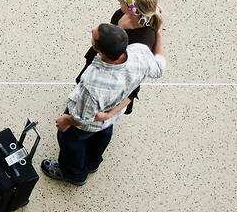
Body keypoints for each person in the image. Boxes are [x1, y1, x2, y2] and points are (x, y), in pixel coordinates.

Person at [40, 22, 166, 185]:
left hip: (88, 123)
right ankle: (92, 163)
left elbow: (85, 118)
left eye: (94, 36)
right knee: (102, 135)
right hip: (110, 117)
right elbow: (159, 68)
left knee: (71, 141)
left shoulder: (93, 83)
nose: (92, 29)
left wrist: (67, 120)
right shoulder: (141, 52)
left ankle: (74, 174)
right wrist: (159, 35)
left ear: (100, 51)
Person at [75, 0, 163, 119]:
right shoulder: (121, 13)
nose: (118, 0)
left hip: (114, 75)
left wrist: (109, 114)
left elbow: (134, 79)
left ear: (132, 8)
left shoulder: (144, 40)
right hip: (104, 56)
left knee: (99, 100)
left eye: (122, 0)